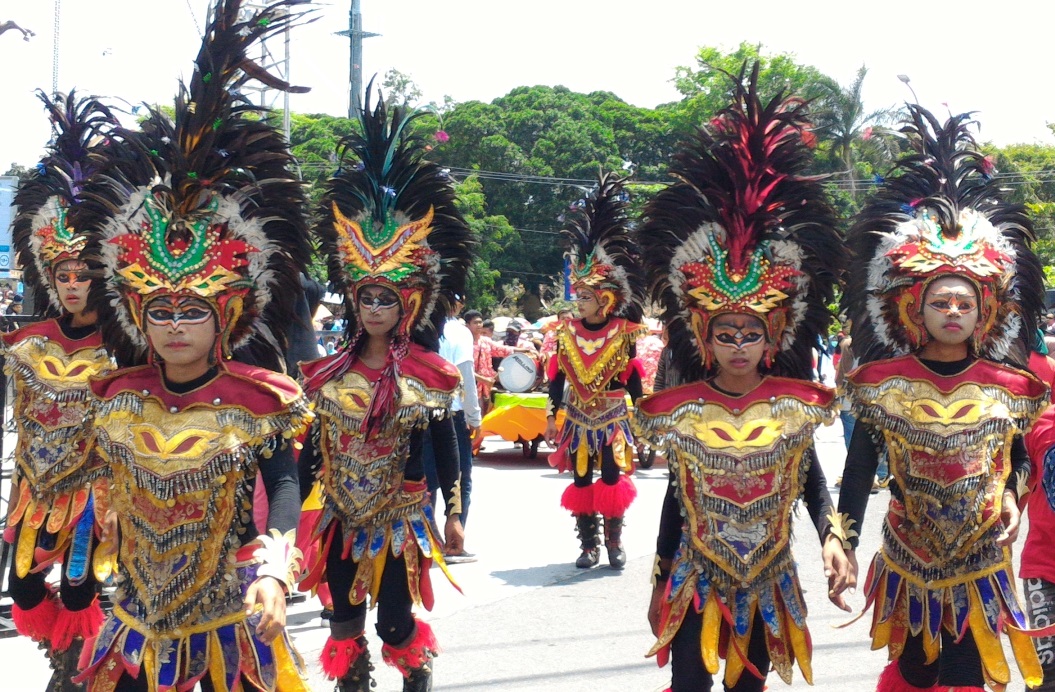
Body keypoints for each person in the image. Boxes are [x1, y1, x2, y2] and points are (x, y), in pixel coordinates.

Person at [70, 4, 315, 689]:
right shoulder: (118, 398)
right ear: (138, 317)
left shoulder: (258, 399)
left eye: (191, 311)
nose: (174, 326)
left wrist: (273, 570)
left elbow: (285, 483)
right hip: (136, 612)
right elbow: (96, 486)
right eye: (161, 312)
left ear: (227, 315)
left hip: (227, 615)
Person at [633, 66, 851, 692]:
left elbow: (810, 479)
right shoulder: (681, 407)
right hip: (695, 580)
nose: (737, 346)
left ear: (773, 338)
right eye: (724, 334)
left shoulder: (793, 405)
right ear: (702, 336)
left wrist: (832, 539)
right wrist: (658, 577)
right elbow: (676, 500)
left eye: (750, 334)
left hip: (768, 578)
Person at [832, 106, 1049, 692]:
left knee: (967, 673)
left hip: (982, 561)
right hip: (908, 555)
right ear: (914, 309)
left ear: (984, 312)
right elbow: (858, 469)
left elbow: (1023, 457)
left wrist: (1010, 493)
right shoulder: (883, 383)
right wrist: (841, 539)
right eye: (940, 302)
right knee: (914, 671)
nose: (953, 312)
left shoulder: (1011, 385)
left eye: (964, 303)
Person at [298, 88, 471, 692]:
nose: (374, 308)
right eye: (365, 297)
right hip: (340, 517)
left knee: (395, 623)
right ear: (353, 300)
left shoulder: (429, 373)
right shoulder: (325, 374)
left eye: (386, 298)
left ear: (410, 303)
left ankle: (413, 665)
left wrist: (456, 514)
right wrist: (296, 521)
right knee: (343, 625)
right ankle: (356, 681)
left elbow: (449, 447)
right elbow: (306, 455)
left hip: (401, 521)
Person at [3, 90, 118, 690]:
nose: (73, 286)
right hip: (34, 487)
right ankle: (65, 654)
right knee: (22, 584)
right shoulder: (25, 341)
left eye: (84, 275)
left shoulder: (126, 348)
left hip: (96, 494)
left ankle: (79, 667)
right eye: (63, 276)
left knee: (79, 589)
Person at [543, 171, 645, 570]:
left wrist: (645, 412)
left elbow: (633, 375)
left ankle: (615, 542)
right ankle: (588, 545)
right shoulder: (564, 332)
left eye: (586, 296)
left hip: (614, 416)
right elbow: (557, 378)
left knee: (611, 475)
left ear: (604, 299)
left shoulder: (624, 332)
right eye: (578, 295)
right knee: (582, 478)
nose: (579, 302)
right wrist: (553, 415)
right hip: (579, 418)